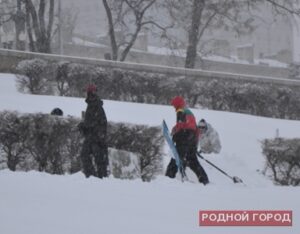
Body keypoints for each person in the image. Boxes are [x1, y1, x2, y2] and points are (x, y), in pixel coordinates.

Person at [166, 96, 209, 185]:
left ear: (177, 104)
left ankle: (168, 178)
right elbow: (190, 126)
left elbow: (181, 125)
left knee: (176, 157)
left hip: (185, 137)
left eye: (174, 105)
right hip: (193, 138)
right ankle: (204, 180)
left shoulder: (180, 110)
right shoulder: (188, 111)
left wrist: (175, 135)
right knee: (192, 161)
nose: (174, 107)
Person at [78, 84, 109, 178]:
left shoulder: (95, 105)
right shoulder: (92, 104)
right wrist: (83, 126)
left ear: (89, 93)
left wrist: (85, 126)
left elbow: (99, 123)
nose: (85, 94)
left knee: (94, 158)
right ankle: (94, 177)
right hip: (93, 137)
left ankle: (94, 177)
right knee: (90, 157)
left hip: (95, 139)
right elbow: (92, 122)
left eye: (86, 92)